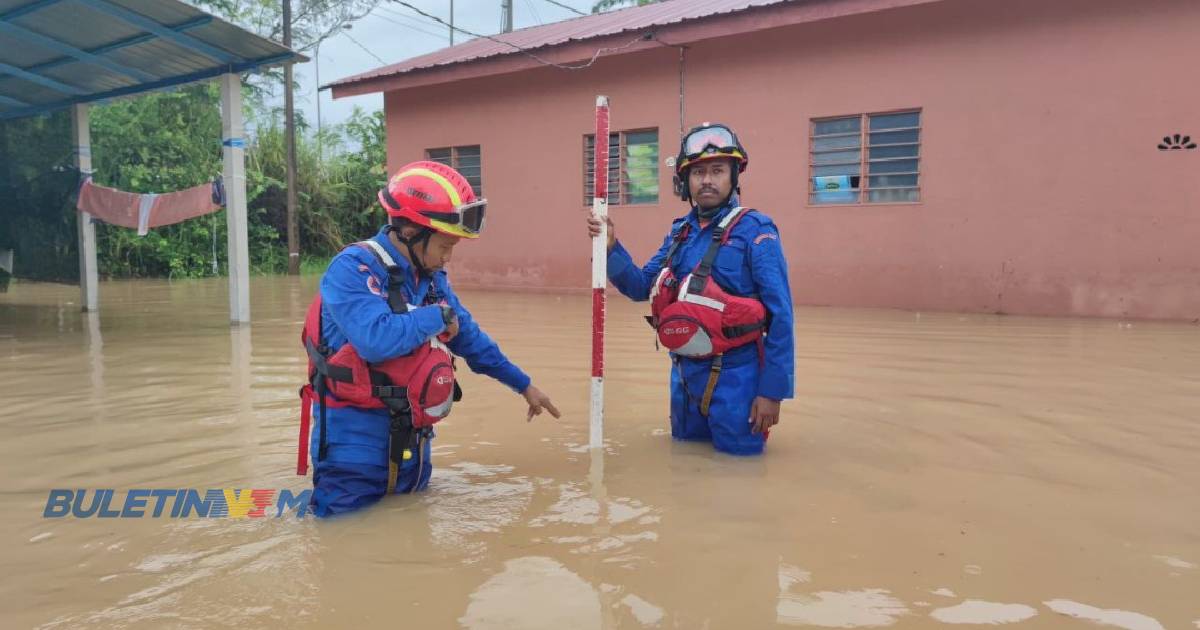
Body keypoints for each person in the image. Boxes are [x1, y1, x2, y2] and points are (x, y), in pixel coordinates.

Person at [299, 160, 560, 516]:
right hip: (352, 456)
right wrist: (436, 316)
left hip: (414, 452)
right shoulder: (352, 269)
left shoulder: (431, 279)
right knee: (344, 550)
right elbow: (374, 339)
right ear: (409, 231)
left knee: (414, 545)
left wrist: (524, 385)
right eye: (444, 246)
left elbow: (469, 338)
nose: (448, 258)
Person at [587, 123, 794, 455]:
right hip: (684, 380)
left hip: (738, 379)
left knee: (738, 475)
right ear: (686, 181)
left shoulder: (757, 231)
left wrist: (772, 393)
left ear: (734, 176)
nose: (707, 180)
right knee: (683, 463)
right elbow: (642, 287)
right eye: (698, 173)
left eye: (717, 171)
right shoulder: (679, 234)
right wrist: (610, 248)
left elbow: (781, 316)